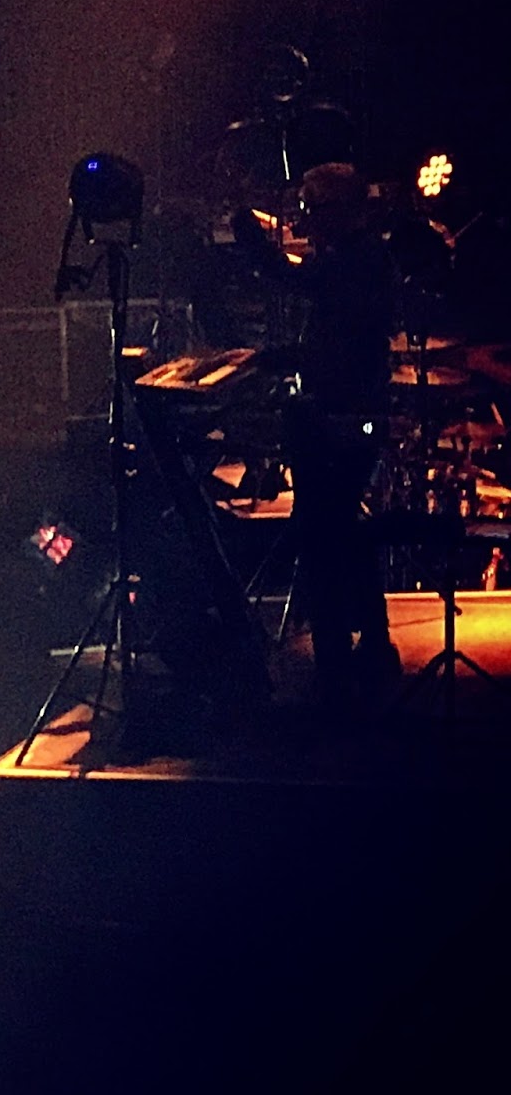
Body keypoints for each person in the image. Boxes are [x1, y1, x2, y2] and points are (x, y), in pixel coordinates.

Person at [232, 163, 402, 707]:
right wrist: (279, 357)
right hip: (346, 412)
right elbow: (334, 338)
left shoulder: (355, 259)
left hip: (341, 418)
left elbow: (297, 284)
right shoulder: (358, 257)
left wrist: (247, 231)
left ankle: (336, 667)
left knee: (323, 537)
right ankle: (370, 649)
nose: (305, 218)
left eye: (310, 207)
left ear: (335, 210)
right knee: (342, 532)